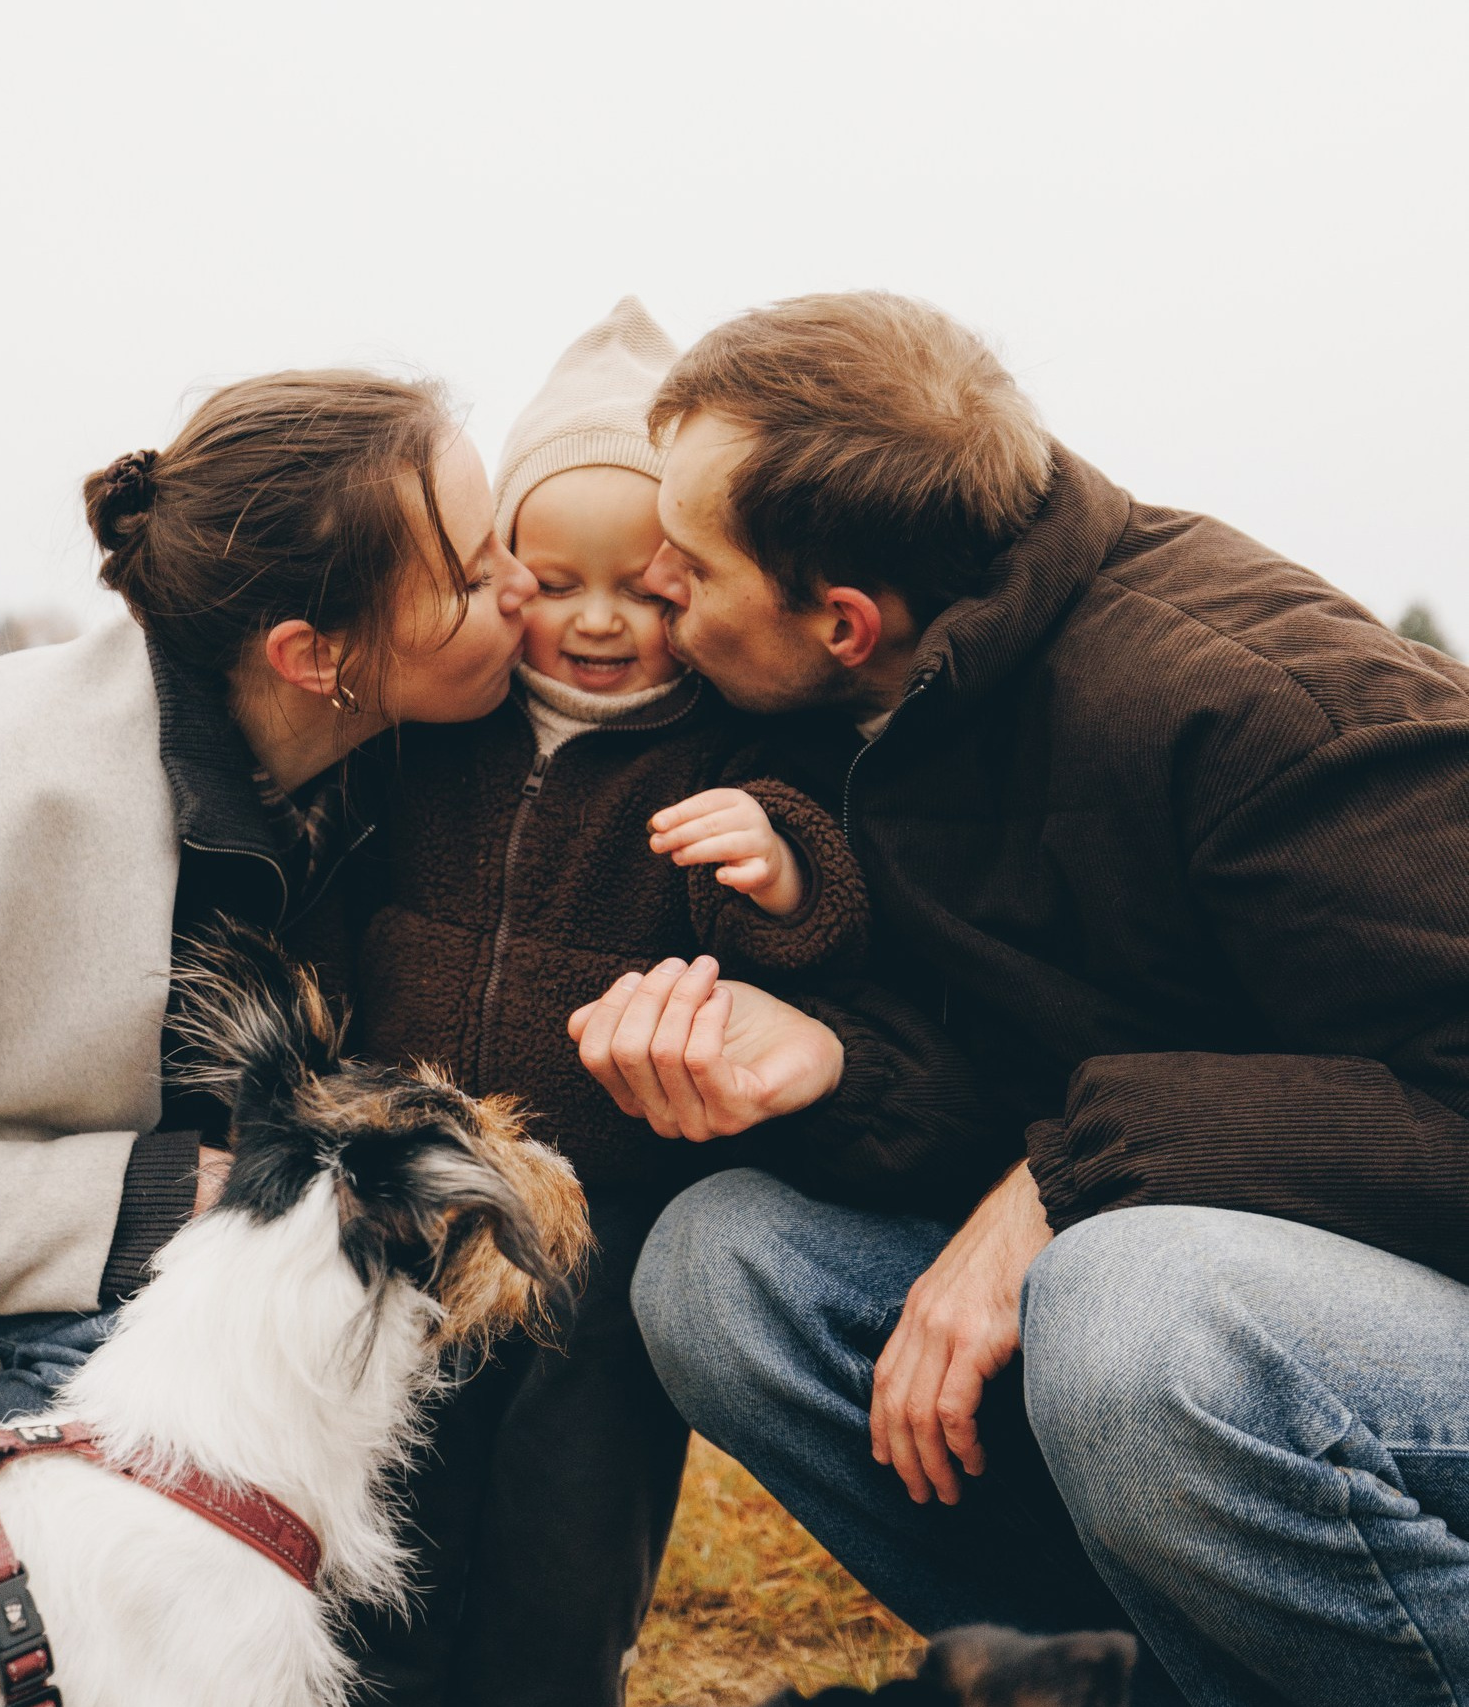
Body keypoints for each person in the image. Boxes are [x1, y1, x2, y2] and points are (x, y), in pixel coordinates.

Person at [569, 292, 1469, 1706]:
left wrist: (1066, 1179)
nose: (653, 580)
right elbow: (1007, 1072)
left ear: (845, 618)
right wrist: (830, 1065)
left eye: (685, 559)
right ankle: (1136, 1675)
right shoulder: (844, 712)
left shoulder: (1265, 706)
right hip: (1217, 1262)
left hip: (1379, 1323)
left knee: (1133, 1307)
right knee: (723, 1261)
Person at [0, 368, 538, 1463]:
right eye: (470, 572)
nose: (527, 585)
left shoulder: (386, 762)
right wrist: (155, 1199)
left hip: (170, 1329)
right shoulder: (21, 777)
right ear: (314, 658)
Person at [346, 298, 870, 1707]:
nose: (597, 618)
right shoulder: (442, 725)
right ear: (500, 564)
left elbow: (824, 904)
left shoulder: (732, 752)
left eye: (646, 589)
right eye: (556, 576)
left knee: (570, 1517)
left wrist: (777, 866)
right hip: (416, 1199)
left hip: (606, 1215)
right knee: (390, 1488)